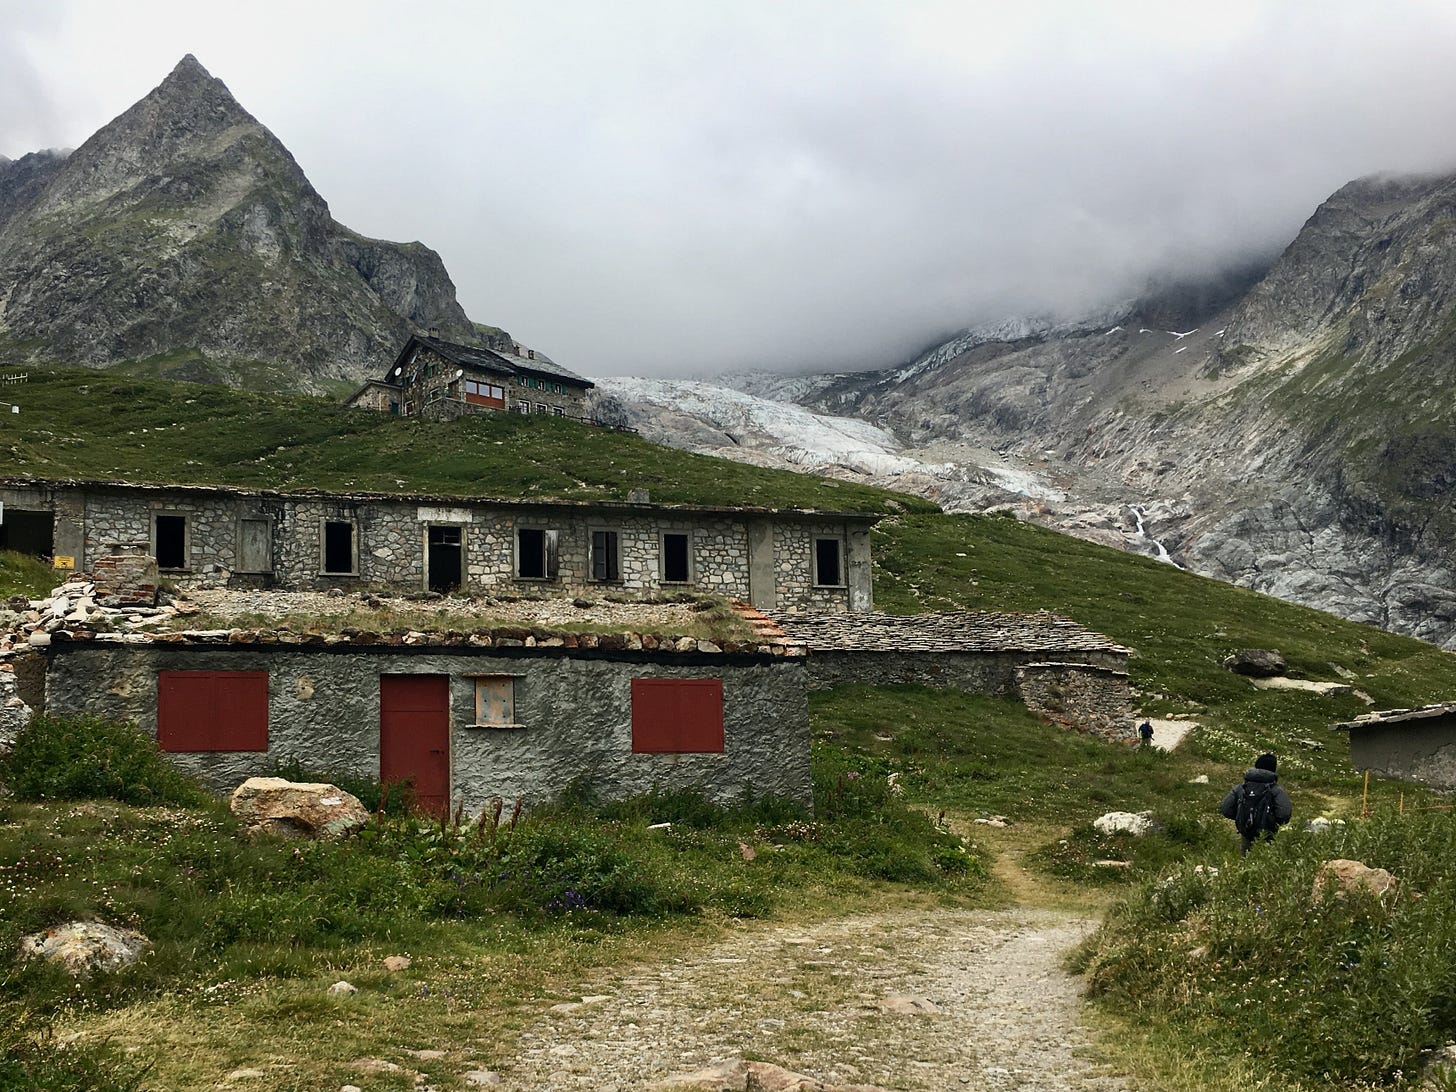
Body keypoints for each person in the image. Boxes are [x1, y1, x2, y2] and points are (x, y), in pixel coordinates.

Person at [1219, 753, 1292, 855]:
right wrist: (1272, 821)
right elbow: (1284, 814)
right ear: (1273, 769)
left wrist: (1241, 816)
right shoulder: (1276, 790)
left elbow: (1225, 809)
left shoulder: (1241, 787)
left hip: (1246, 833)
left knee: (1245, 860)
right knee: (1265, 860)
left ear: (1256, 765)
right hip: (1268, 836)